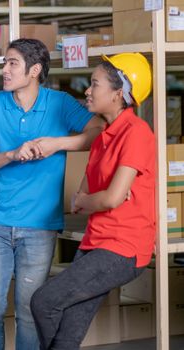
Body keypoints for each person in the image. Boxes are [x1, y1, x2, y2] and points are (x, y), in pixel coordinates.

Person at [0, 38, 105, 350]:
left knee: (30, 313)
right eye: (5, 63)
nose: (4, 69)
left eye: (12, 63)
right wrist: (11, 154)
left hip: (40, 226)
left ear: (34, 70)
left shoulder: (59, 103)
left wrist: (57, 143)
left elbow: (98, 132)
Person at [30, 52, 154, 350]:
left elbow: (109, 198)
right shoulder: (102, 138)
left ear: (118, 93)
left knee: (44, 301)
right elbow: (80, 200)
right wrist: (99, 199)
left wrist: (102, 198)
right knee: (69, 334)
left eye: (95, 84)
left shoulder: (137, 133)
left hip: (122, 248)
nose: (87, 90)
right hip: (95, 242)